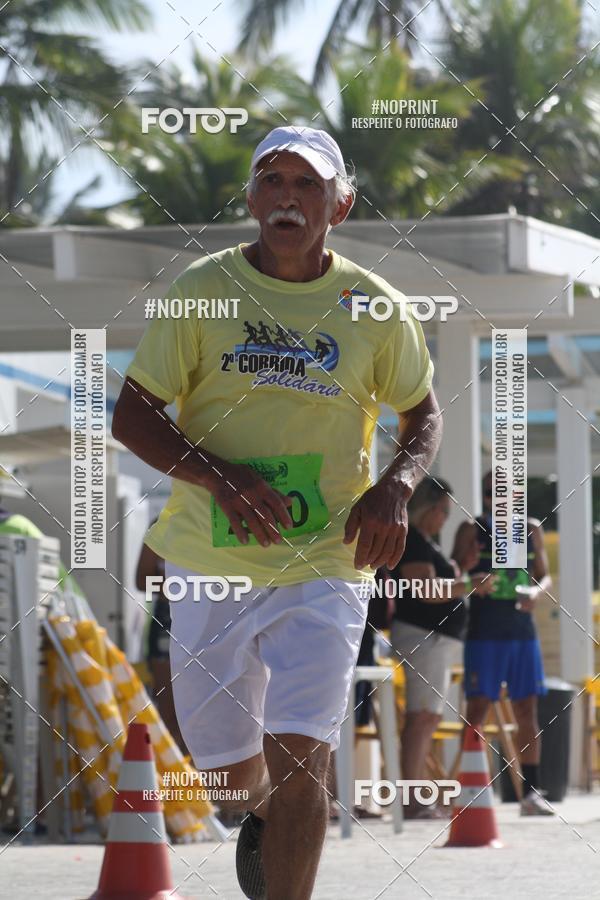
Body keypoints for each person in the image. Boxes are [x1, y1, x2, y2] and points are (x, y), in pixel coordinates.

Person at [112, 124, 441, 900]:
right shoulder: (203, 289)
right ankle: (258, 809)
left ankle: (286, 844)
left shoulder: (376, 306)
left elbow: (422, 414)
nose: (287, 198)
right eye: (272, 181)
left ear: (341, 203)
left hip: (326, 559)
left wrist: (395, 484)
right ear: (253, 198)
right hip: (209, 556)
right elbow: (132, 415)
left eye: (307, 184)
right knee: (227, 777)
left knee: (304, 760)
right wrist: (220, 478)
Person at [378, 477, 492, 818]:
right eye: (442, 510)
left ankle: (414, 795)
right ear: (427, 507)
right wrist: (470, 584)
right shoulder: (412, 539)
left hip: (433, 638)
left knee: (426, 717)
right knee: (421, 717)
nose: (445, 518)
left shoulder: (424, 541)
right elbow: (426, 590)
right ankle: (412, 799)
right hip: (423, 635)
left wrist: (462, 570)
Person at [454, 470, 554, 816]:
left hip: (522, 631)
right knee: (477, 711)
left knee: (527, 710)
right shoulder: (472, 528)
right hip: (484, 631)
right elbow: (455, 572)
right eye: (490, 494)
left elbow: (545, 574)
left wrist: (536, 593)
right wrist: (471, 580)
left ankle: (531, 793)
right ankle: (468, 791)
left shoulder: (530, 527)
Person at [135, 533, 187, 755]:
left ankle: (201, 779)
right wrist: (183, 587)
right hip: (167, 622)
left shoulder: (211, 514)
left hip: (211, 621)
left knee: (204, 710)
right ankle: (176, 776)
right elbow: (141, 581)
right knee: (169, 711)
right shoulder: (160, 524)